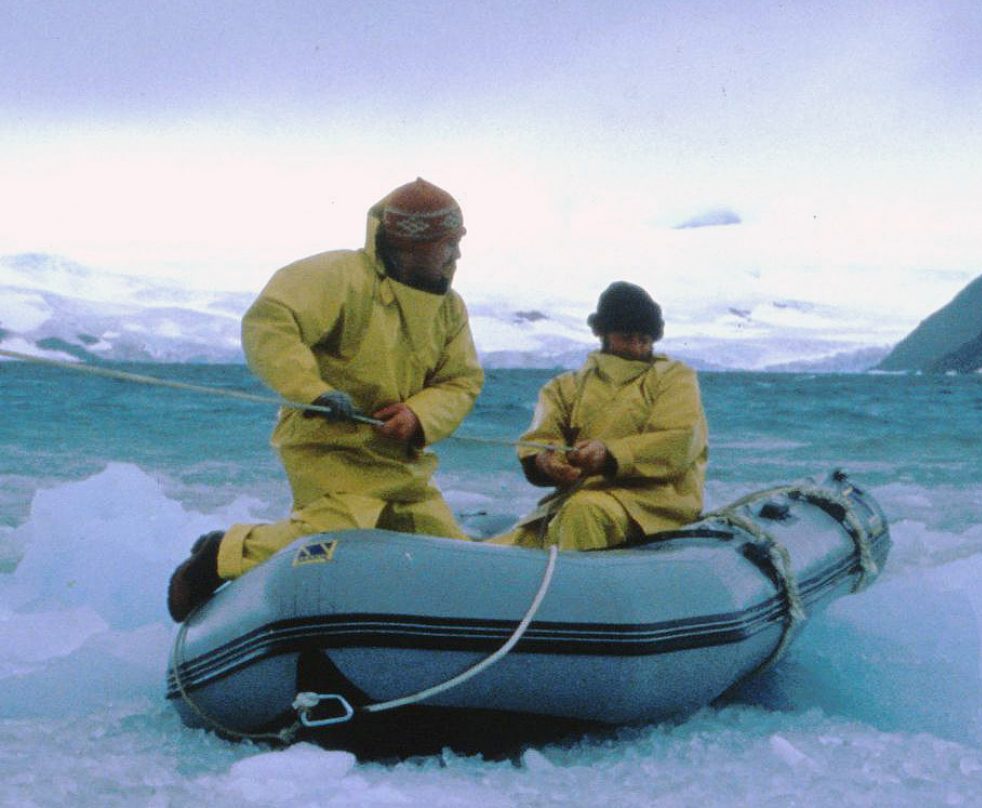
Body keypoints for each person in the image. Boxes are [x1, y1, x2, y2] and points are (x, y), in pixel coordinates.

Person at [167, 178, 485, 621]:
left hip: (399, 461)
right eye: (445, 244)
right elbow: (271, 323)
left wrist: (418, 415)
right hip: (329, 446)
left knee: (448, 550)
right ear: (406, 245)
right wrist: (313, 390)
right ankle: (219, 554)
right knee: (339, 531)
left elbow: (460, 380)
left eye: (458, 243)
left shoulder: (451, 309)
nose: (456, 256)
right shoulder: (338, 276)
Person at [492, 281, 708, 551]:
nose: (637, 347)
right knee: (505, 547)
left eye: (644, 339)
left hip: (654, 503)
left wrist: (608, 455)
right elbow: (541, 438)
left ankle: (576, 591)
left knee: (583, 514)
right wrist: (548, 461)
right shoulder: (565, 386)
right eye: (627, 337)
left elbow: (678, 441)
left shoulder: (675, 377)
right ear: (603, 333)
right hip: (579, 498)